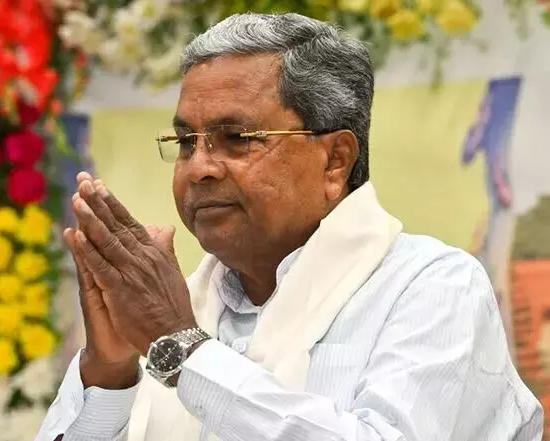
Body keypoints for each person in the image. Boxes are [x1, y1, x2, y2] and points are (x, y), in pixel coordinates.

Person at [36, 12, 542, 441]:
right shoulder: (184, 305)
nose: (199, 167)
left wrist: (181, 348)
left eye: (237, 138)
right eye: (186, 141)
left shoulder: (433, 287)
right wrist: (110, 371)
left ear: (335, 161)